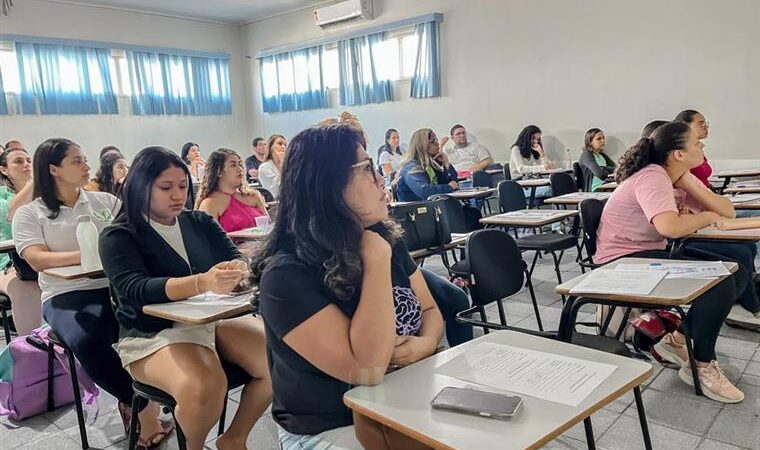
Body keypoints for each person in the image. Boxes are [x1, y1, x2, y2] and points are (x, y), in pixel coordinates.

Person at [252, 123, 443, 449]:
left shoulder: (382, 237)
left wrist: (423, 346)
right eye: (368, 169)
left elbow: (429, 308)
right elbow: (366, 370)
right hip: (330, 425)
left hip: (404, 397)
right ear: (327, 184)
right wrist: (376, 260)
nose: (382, 179)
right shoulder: (285, 275)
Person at [99, 146, 272, 450]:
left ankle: (235, 437)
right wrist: (202, 282)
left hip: (212, 320)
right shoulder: (119, 235)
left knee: (276, 360)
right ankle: (192, 446)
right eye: (166, 188)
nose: (177, 195)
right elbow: (135, 289)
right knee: (205, 386)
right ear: (141, 187)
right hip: (151, 334)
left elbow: (234, 257)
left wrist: (236, 269)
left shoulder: (198, 222)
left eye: (182, 186)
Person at [11, 138, 169, 446]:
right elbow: (37, 258)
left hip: (113, 286)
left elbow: (133, 239)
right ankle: (140, 404)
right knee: (88, 340)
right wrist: (92, 252)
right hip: (65, 294)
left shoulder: (105, 202)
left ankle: (160, 393)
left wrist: (105, 255)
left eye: (85, 159)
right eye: (77, 161)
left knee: (161, 321)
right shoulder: (31, 214)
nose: (87, 166)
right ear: (53, 169)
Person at [594, 121, 747, 403]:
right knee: (720, 283)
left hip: (649, 253)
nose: (702, 145)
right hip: (622, 260)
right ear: (678, 153)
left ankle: (677, 335)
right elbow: (669, 226)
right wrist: (705, 217)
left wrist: (687, 179)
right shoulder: (652, 176)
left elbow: (728, 212)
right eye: (696, 143)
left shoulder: (675, 176)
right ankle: (701, 365)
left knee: (736, 266)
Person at [0, 146, 42, 335]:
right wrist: (34, 182)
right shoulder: (2, 196)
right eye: (18, 161)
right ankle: (32, 350)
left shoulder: (44, 194)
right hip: (6, 263)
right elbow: (11, 213)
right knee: (23, 288)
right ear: (4, 170)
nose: (26, 164)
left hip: (40, 256)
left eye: (28, 160)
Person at [196, 148, 269, 232]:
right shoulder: (209, 204)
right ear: (219, 171)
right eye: (233, 165)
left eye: (240, 164)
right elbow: (211, 241)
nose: (240, 169)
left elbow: (269, 226)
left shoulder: (253, 195)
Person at [396, 128, 459, 202]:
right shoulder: (411, 167)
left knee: (471, 211)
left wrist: (447, 164)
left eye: (436, 140)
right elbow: (424, 191)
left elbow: (452, 182)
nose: (437, 143)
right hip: (417, 210)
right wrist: (449, 187)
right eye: (433, 141)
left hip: (433, 207)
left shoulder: (428, 165)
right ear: (422, 145)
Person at [509, 125, 554, 203]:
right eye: (533, 138)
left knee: (557, 187)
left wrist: (541, 152)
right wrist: (542, 167)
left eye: (538, 139)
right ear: (526, 138)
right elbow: (521, 169)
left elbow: (548, 166)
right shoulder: (516, 149)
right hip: (522, 187)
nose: (535, 141)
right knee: (554, 189)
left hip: (535, 183)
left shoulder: (533, 151)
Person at [675, 110, 712, 188]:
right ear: (685, 126)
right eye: (701, 124)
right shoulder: (681, 151)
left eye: (705, 123)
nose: (706, 127)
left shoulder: (698, 147)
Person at [258, 134, 286, 199]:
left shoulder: (288, 165)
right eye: (280, 144)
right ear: (271, 147)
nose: (283, 147)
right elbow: (277, 191)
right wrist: (282, 164)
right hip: (276, 202)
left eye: (285, 145)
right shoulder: (264, 167)